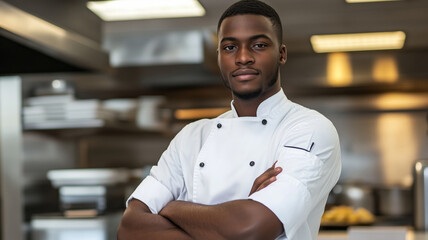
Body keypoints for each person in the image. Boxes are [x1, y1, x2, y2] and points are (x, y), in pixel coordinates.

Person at [117, 0, 341, 239]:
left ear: (281, 54)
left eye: (259, 45)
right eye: (230, 47)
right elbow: (129, 228)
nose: (243, 57)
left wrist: (169, 208)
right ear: (219, 57)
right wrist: (235, 215)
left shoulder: (309, 129)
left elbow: (249, 229)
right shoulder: (191, 137)